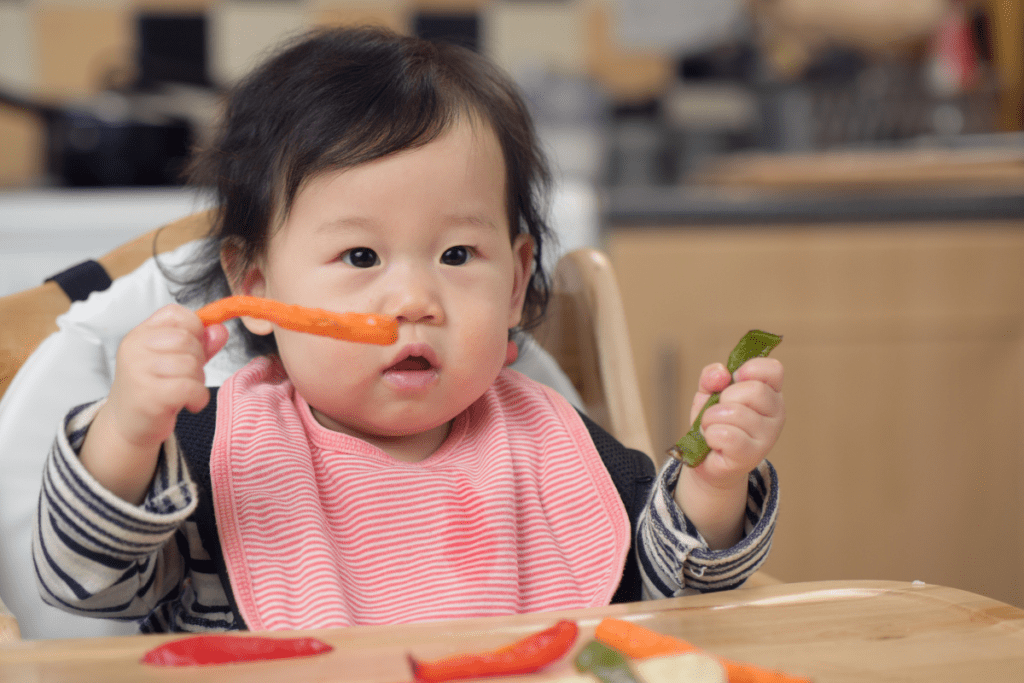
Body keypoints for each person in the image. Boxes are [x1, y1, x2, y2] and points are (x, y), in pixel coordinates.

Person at [33, 25, 784, 634]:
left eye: (458, 254)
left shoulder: (554, 445)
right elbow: (89, 583)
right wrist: (130, 431)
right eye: (361, 255)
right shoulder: (213, 447)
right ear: (256, 285)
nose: (416, 298)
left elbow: (666, 589)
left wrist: (713, 484)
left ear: (518, 280)